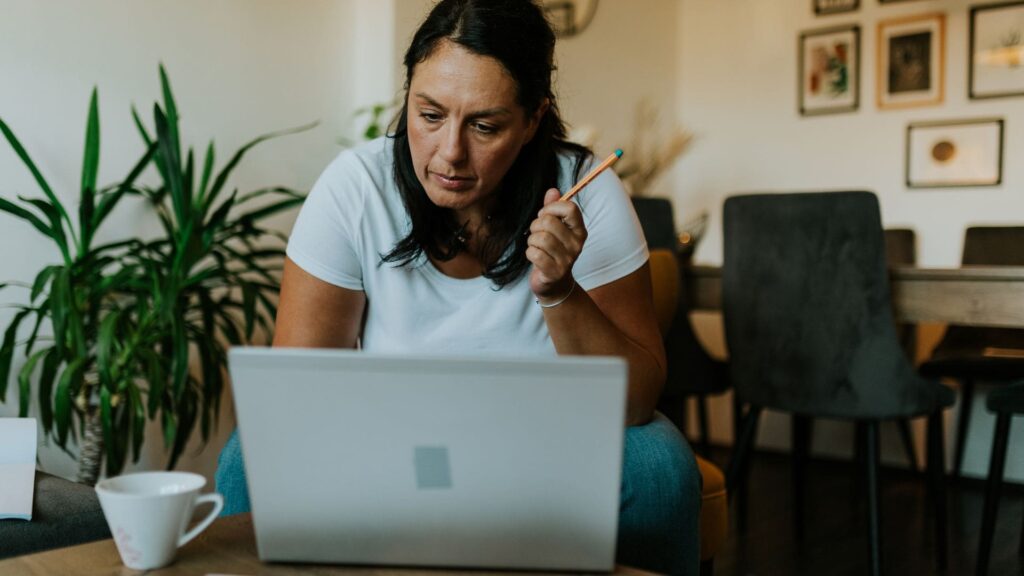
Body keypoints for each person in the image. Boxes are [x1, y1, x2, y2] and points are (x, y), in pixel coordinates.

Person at [215, 1, 701, 574]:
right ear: (407, 97)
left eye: (485, 125)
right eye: (429, 115)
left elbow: (639, 396)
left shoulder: (585, 190)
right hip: (386, 449)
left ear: (532, 120)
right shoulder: (355, 188)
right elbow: (297, 400)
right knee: (247, 461)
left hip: (545, 452)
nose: (449, 153)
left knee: (661, 467)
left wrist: (558, 290)